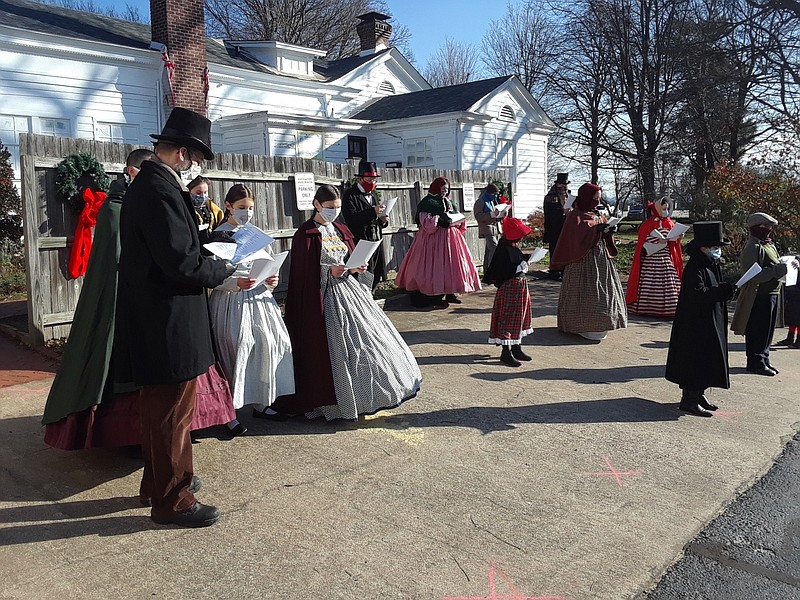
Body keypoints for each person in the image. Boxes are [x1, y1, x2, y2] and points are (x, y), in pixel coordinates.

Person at [116, 107, 234, 528]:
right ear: (182, 154)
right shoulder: (158, 189)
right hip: (166, 317)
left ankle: (159, 480)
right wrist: (224, 270)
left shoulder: (154, 185)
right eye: (197, 159)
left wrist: (210, 239)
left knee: (163, 408)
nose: (198, 167)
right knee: (172, 411)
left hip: (159, 315)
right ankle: (172, 499)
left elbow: (174, 244)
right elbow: (180, 264)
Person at [270, 184, 422, 421]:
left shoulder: (341, 229)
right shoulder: (306, 233)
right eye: (329, 207)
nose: (333, 212)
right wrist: (328, 270)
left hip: (350, 292)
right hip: (324, 299)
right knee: (335, 351)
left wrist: (355, 266)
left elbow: (349, 256)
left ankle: (368, 396)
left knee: (369, 344)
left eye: (337, 207)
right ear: (317, 205)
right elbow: (302, 274)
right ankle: (334, 402)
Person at [209, 184, 295, 423]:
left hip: (259, 299)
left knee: (269, 344)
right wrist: (235, 282)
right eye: (241, 208)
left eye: (249, 208)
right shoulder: (219, 235)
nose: (246, 213)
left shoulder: (256, 233)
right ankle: (228, 412)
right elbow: (212, 273)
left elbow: (268, 262)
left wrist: (271, 278)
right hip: (231, 301)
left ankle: (261, 401)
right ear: (228, 206)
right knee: (235, 348)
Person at [665, 221, 734, 417]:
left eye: (717, 248)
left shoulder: (710, 264)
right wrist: (721, 292)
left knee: (707, 358)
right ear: (702, 248)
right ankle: (689, 399)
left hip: (710, 319)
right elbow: (698, 294)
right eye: (712, 248)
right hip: (696, 324)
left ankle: (699, 394)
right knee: (695, 359)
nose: (716, 251)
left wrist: (725, 291)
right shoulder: (696, 266)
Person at [550, 182, 627, 341]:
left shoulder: (597, 214)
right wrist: (595, 230)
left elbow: (602, 230)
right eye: (594, 198)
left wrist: (608, 230)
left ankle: (601, 323)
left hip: (600, 258)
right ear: (586, 198)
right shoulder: (575, 215)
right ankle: (580, 325)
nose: (597, 202)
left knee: (604, 290)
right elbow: (576, 239)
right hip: (581, 260)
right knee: (584, 290)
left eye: (599, 199)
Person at [395, 176, 482, 308]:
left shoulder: (450, 202)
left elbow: (457, 217)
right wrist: (439, 222)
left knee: (452, 265)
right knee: (434, 265)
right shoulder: (428, 202)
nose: (444, 191)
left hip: (451, 238)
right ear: (436, 188)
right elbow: (424, 221)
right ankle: (434, 294)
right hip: (432, 240)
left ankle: (451, 292)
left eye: (446, 189)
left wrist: (457, 221)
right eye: (442, 188)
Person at [731, 212, 794, 376]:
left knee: (767, 331)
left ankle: (764, 359)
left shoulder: (769, 245)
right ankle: (755, 363)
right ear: (756, 228)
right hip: (757, 296)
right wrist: (775, 271)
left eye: (770, 227)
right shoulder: (753, 247)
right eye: (765, 227)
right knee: (757, 331)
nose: (768, 230)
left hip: (772, 293)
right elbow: (753, 275)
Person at [483, 217, 534, 367]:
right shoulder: (503, 249)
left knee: (519, 317)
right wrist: (521, 266)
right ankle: (506, 352)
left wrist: (525, 260)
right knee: (507, 318)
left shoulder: (512, 246)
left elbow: (516, 259)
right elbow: (504, 270)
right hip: (509, 289)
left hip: (519, 288)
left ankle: (517, 348)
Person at [625, 197, 684, 317]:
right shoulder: (647, 224)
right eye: (663, 209)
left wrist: (678, 238)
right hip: (650, 259)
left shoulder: (670, 223)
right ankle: (646, 308)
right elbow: (642, 241)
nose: (665, 211)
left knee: (669, 284)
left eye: (666, 208)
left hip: (665, 259)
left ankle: (670, 309)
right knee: (648, 283)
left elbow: (673, 243)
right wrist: (657, 241)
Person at [341, 161, 387, 291]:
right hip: (361, 241)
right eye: (369, 179)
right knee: (363, 273)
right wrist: (372, 212)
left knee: (376, 273)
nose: (372, 182)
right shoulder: (350, 195)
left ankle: (372, 293)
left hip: (376, 240)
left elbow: (376, 217)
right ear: (360, 178)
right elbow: (351, 219)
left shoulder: (373, 196)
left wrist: (383, 220)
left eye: (374, 180)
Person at [543, 173, 570, 279]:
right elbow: (549, 213)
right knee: (554, 248)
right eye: (561, 184)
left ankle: (564, 268)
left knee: (565, 248)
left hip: (566, 225)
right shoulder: (551, 196)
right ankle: (554, 269)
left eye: (565, 184)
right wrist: (562, 211)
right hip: (554, 226)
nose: (563, 187)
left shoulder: (568, 195)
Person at [473, 183, 505, 271]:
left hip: (495, 229)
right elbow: (478, 216)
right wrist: (491, 214)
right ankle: (493, 270)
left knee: (489, 250)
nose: (495, 196)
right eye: (494, 194)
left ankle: (487, 269)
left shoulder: (492, 201)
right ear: (489, 193)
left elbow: (495, 214)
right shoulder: (480, 201)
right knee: (494, 248)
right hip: (487, 229)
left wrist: (501, 214)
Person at [187, 175, 225, 241]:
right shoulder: (185, 208)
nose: (203, 196)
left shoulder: (212, 208)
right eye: (198, 193)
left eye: (205, 192)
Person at [774, 261, 800, 349]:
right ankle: (790, 338)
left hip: (797, 291)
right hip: (793, 291)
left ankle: (799, 341)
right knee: (792, 317)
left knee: (798, 318)